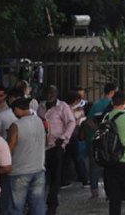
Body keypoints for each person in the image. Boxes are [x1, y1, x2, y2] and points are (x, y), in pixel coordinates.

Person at [37, 85, 73, 214]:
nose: (49, 94)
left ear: (56, 94)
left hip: (56, 146)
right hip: (42, 146)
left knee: (55, 175)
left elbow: (71, 122)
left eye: (52, 92)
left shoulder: (62, 106)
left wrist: (64, 137)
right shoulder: (40, 106)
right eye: (47, 92)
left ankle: (52, 203)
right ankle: (38, 203)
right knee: (42, 175)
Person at [7, 97, 46, 215]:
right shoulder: (39, 121)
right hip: (38, 169)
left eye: (14, 111)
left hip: (20, 171)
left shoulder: (15, 125)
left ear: (17, 109)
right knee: (38, 206)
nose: (14, 114)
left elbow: (9, 147)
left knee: (16, 207)